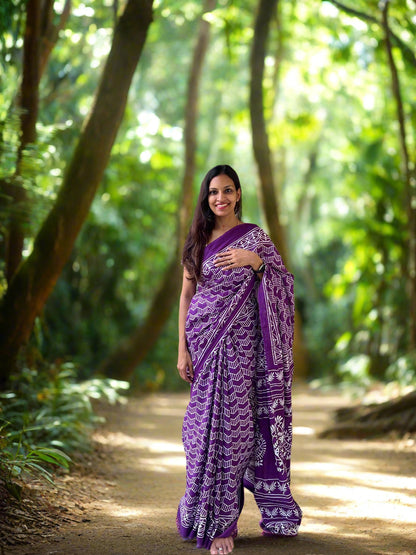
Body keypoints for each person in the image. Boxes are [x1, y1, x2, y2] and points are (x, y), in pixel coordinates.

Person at [176, 164, 302, 554]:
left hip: (244, 352)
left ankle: (223, 526)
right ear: (206, 197)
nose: (221, 198)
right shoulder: (197, 242)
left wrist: (256, 263)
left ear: (239, 194)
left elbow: (283, 284)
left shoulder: (255, 239)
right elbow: (186, 296)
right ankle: (200, 513)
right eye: (214, 192)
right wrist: (182, 348)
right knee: (201, 434)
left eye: (228, 191)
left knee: (234, 432)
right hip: (204, 347)